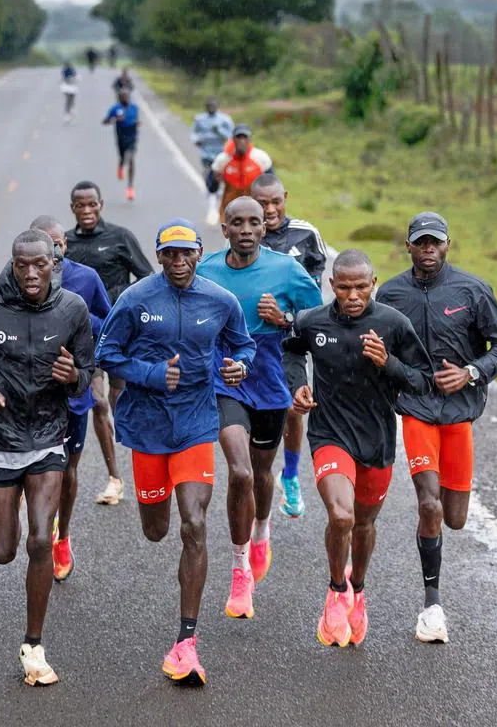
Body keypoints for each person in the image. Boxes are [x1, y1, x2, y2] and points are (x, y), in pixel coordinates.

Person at [95, 219, 256, 685]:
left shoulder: (220, 301)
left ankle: (186, 642)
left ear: (199, 253)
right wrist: (147, 374)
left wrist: (237, 367)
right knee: (155, 528)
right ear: (160, 256)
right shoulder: (135, 300)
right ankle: (154, 513)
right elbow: (106, 353)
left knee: (194, 523)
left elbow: (242, 346)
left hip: (195, 423)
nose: (179, 261)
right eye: (170, 254)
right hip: (146, 427)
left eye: (187, 253)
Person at [376, 212, 497, 644]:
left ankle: (434, 565)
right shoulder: (391, 294)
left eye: (434, 242)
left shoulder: (472, 290)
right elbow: (376, 352)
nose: (427, 249)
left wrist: (471, 373)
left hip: (459, 415)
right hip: (417, 411)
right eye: (420, 242)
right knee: (429, 504)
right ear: (408, 246)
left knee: (454, 518)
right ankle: (432, 606)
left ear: (447, 245)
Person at [0, 229, 96, 686]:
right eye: (24, 265)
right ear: (13, 264)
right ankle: (17, 514)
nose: (32, 273)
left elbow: (87, 374)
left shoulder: (73, 309)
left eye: (41, 264)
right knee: (3, 552)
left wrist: (73, 374)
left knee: (39, 542)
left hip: (47, 437)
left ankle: (33, 644)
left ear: (55, 262)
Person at [284, 249, 433, 647]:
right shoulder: (312, 321)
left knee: (364, 524)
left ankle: (358, 589)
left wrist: (389, 364)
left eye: (361, 287)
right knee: (342, 515)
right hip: (330, 433)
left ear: (374, 284)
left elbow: (422, 380)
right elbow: (292, 350)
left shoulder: (393, 324)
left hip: (377, 440)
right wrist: (297, 384)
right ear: (332, 285)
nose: (353, 295)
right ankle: (335, 592)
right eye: (345, 287)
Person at [196, 197, 322, 619]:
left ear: (263, 229)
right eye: (237, 222)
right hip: (226, 377)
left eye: (254, 222)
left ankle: (262, 531)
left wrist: (285, 318)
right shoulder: (207, 269)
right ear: (225, 228)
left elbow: (319, 314)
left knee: (262, 474)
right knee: (240, 472)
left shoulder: (285, 269)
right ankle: (239, 568)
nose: (247, 228)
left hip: (269, 379)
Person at [29, 216, 112, 582]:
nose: (55, 249)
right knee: (39, 469)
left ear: (66, 245)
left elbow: (108, 325)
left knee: (68, 469)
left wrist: (78, 317)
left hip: (75, 391)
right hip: (32, 393)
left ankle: (62, 538)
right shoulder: (18, 280)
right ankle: (42, 533)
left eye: (59, 242)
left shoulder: (87, 279)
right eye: (46, 243)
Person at [64, 180, 153, 505]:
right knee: (98, 403)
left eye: (92, 205)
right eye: (80, 205)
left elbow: (146, 277)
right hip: (83, 339)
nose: (87, 211)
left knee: (120, 404)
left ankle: (144, 470)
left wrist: (128, 308)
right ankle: (114, 478)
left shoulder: (119, 237)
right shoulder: (66, 243)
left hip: (120, 335)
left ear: (101, 204)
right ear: (72, 207)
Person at [249, 173, 329, 518]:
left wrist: (285, 318)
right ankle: (259, 478)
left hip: (290, 340)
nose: (269, 209)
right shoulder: (245, 235)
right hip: (254, 344)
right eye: (261, 203)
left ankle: (292, 474)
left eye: (275, 202)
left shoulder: (306, 235)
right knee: (257, 415)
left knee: (295, 408)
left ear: (285, 198)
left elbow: (315, 302)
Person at [212, 124, 272, 217]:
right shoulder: (223, 160)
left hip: (254, 206)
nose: (242, 141)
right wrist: (215, 180)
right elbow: (212, 187)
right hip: (230, 208)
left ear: (249, 139)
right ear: (233, 140)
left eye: (245, 137)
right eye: (238, 137)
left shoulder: (261, 158)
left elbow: (272, 184)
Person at [191, 97, 233, 201]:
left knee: (220, 172)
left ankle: (220, 190)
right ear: (205, 107)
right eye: (209, 106)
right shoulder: (200, 119)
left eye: (213, 106)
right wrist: (196, 140)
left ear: (217, 106)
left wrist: (219, 131)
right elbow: (194, 132)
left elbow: (231, 136)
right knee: (207, 172)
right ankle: (210, 189)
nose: (211, 108)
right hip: (206, 152)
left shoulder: (225, 119)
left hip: (221, 152)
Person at [102, 89, 140, 201]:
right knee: (123, 157)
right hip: (121, 137)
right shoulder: (115, 108)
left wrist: (136, 124)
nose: (125, 98)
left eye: (126, 96)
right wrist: (114, 119)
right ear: (119, 98)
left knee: (131, 159)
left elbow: (136, 119)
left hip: (132, 137)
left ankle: (130, 188)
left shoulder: (134, 107)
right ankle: (120, 165)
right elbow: (104, 121)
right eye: (122, 96)